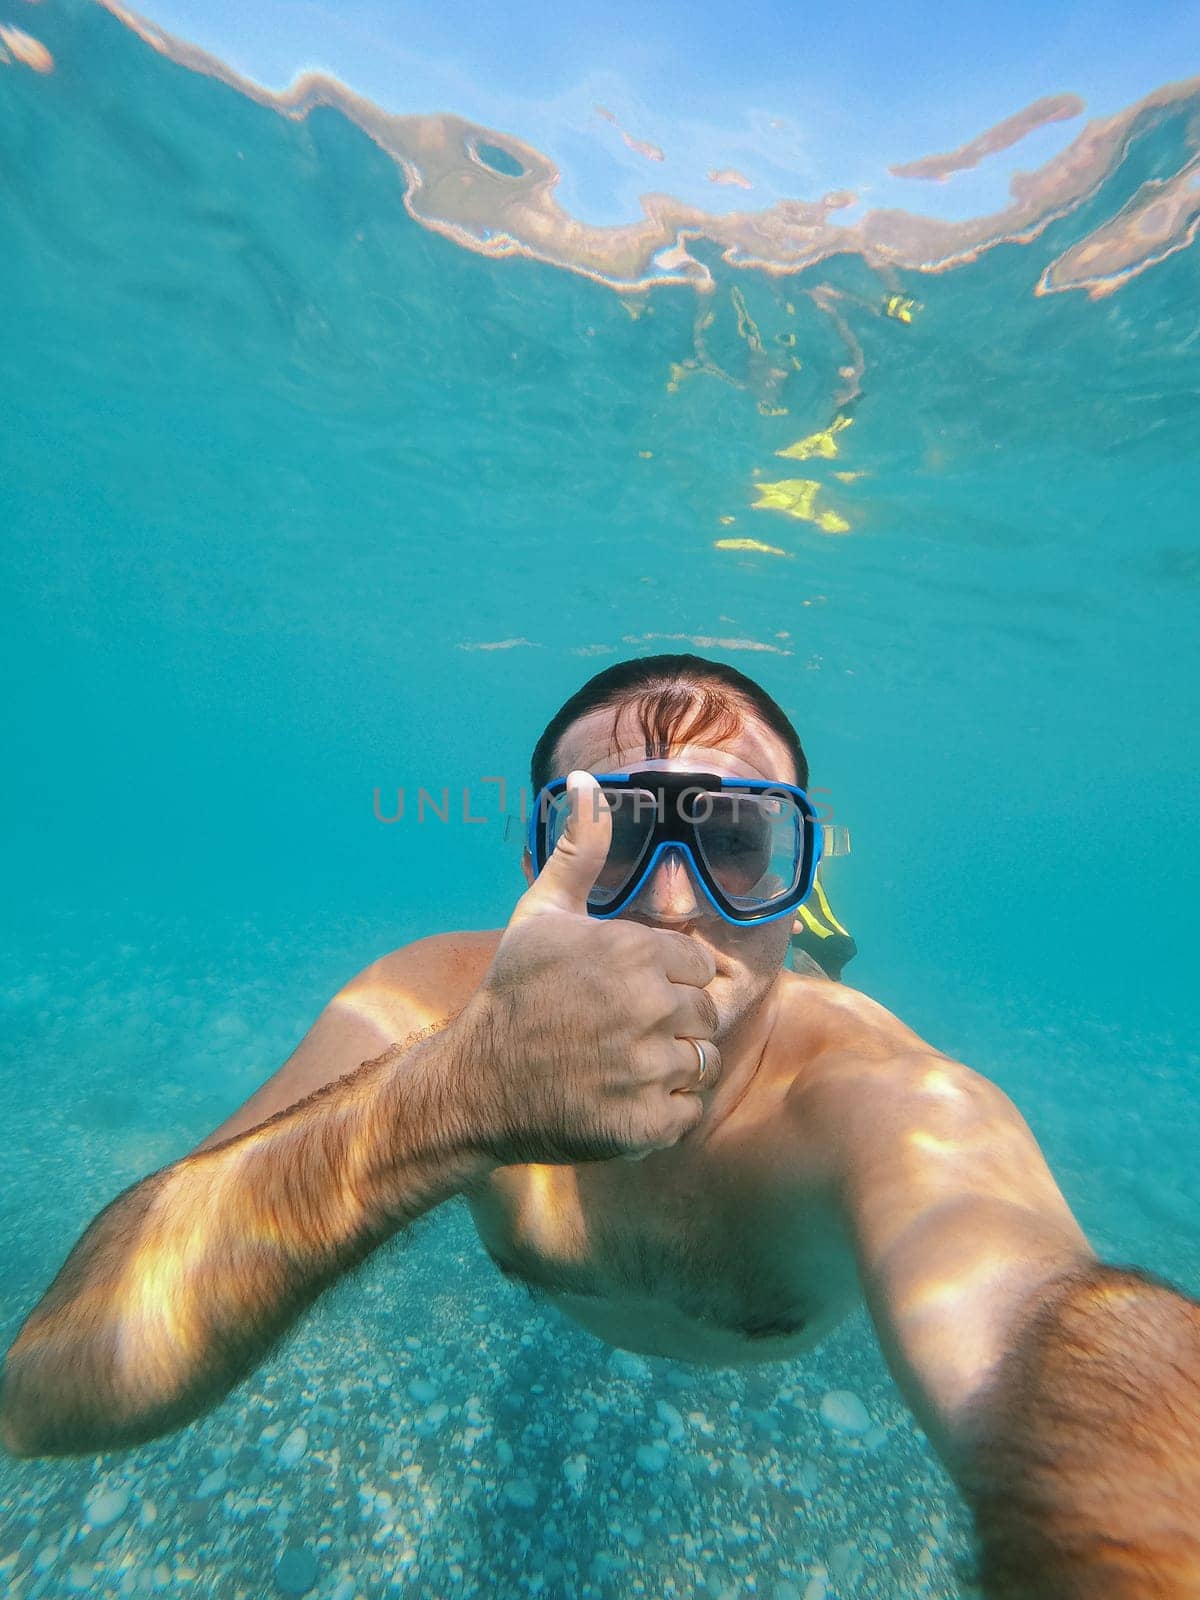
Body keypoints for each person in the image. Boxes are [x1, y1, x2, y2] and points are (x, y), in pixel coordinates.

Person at [3, 654, 1198, 1599]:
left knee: (821, 979)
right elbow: (50, 1386)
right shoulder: (436, 1011)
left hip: (812, 991)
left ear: (790, 857)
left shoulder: (881, 1100)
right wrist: (456, 1095)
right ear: (538, 866)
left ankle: (819, 937)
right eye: (618, 836)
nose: (675, 907)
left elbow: (1054, 1328)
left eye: (737, 842)